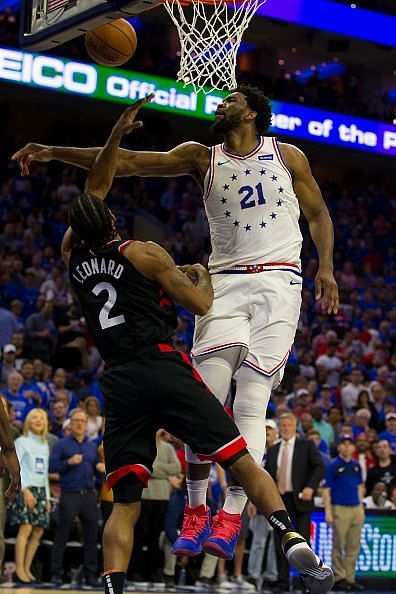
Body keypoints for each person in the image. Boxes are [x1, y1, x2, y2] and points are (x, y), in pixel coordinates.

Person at [13, 84, 339, 561]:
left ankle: (231, 515)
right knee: (204, 394)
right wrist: (55, 152)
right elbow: (123, 163)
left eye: (231, 101)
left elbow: (317, 213)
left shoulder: (289, 156)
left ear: (253, 112)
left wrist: (326, 267)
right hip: (223, 282)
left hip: (279, 282)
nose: (221, 104)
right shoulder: (199, 157)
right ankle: (195, 509)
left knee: (251, 398)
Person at [265, 413, 325, 591]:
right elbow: (267, 476)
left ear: (295, 426)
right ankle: (282, 582)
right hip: (279, 501)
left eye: (289, 425)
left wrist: (310, 487)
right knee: (280, 543)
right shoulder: (273, 449)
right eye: (282, 425)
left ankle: (305, 583)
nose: (285, 428)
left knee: (303, 543)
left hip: (300, 501)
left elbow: (319, 467)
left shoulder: (306, 445)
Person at [49, 408, 105, 586]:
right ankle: (56, 574)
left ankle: (90, 575)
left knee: (91, 537)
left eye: (82, 421)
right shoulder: (61, 444)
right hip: (69, 494)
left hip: (89, 496)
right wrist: (68, 462)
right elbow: (52, 467)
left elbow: (97, 466)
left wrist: (100, 468)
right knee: (62, 535)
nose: (80, 423)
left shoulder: (91, 446)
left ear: (87, 424)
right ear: (70, 423)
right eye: (76, 420)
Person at [322, 435, 365, 592]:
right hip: (339, 507)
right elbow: (326, 490)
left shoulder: (356, 466)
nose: (347, 447)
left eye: (350, 444)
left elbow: (360, 487)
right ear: (339, 447)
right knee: (338, 545)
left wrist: (361, 508)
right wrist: (328, 512)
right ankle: (339, 577)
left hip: (355, 509)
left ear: (354, 448)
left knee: (354, 546)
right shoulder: (333, 466)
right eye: (344, 444)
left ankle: (350, 578)